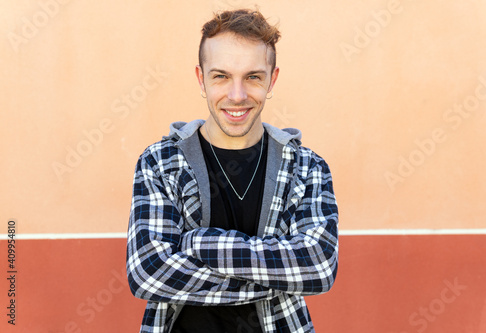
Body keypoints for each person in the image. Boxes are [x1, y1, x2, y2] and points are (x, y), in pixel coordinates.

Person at [126, 8, 339, 333]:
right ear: (201, 79)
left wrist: (197, 243)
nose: (237, 96)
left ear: (272, 79)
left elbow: (319, 267)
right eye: (221, 76)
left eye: (253, 77)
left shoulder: (307, 168)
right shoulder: (160, 162)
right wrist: (280, 276)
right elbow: (148, 273)